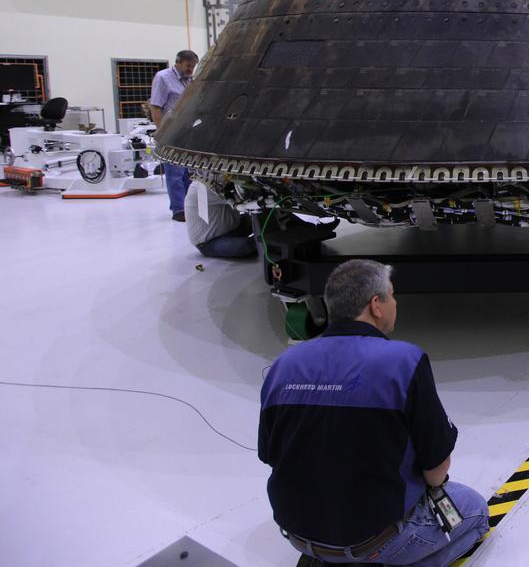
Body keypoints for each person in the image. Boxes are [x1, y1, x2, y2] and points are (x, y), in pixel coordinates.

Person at [259, 260, 489, 565]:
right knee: (474, 511)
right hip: (371, 541)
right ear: (376, 305)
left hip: (298, 535)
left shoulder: (284, 365)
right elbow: (436, 469)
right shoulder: (403, 362)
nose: (396, 303)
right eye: (392, 296)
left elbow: (269, 455)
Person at [149, 50, 198, 221]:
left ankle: (189, 207)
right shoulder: (163, 77)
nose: (191, 69)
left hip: (188, 131)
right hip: (171, 132)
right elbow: (155, 106)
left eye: (193, 66)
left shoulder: (190, 80)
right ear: (178, 63)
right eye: (188, 66)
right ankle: (178, 210)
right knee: (175, 173)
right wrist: (161, 131)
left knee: (189, 173)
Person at [184, 180, 256, 259]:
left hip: (229, 228)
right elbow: (243, 198)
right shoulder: (204, 188)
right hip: (209, 242)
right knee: (246, 245)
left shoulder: (208, 182)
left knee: (257, 219)